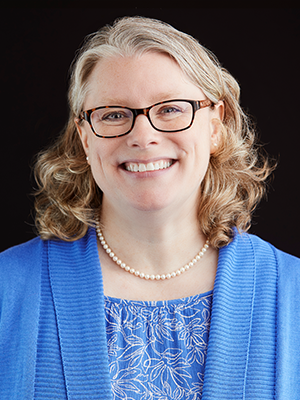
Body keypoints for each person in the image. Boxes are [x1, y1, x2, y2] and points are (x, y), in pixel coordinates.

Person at [0, 15, 299, 400]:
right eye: (113, 114)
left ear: (214, 126)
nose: (143, 136)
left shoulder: (291, 292)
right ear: (85, 137)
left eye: (171, 109)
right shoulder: (8, 289)